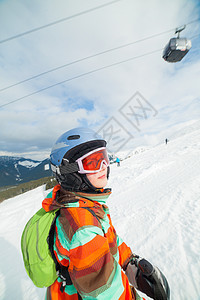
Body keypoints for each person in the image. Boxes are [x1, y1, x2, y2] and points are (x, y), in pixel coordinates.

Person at [43, 127, 170, 300]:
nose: (103, 167)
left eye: (103, 158)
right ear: (69, 172)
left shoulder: (86, 204)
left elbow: (110, 239)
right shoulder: (83, 228)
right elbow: (107, 293)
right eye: (92, 162)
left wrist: (130, 263)